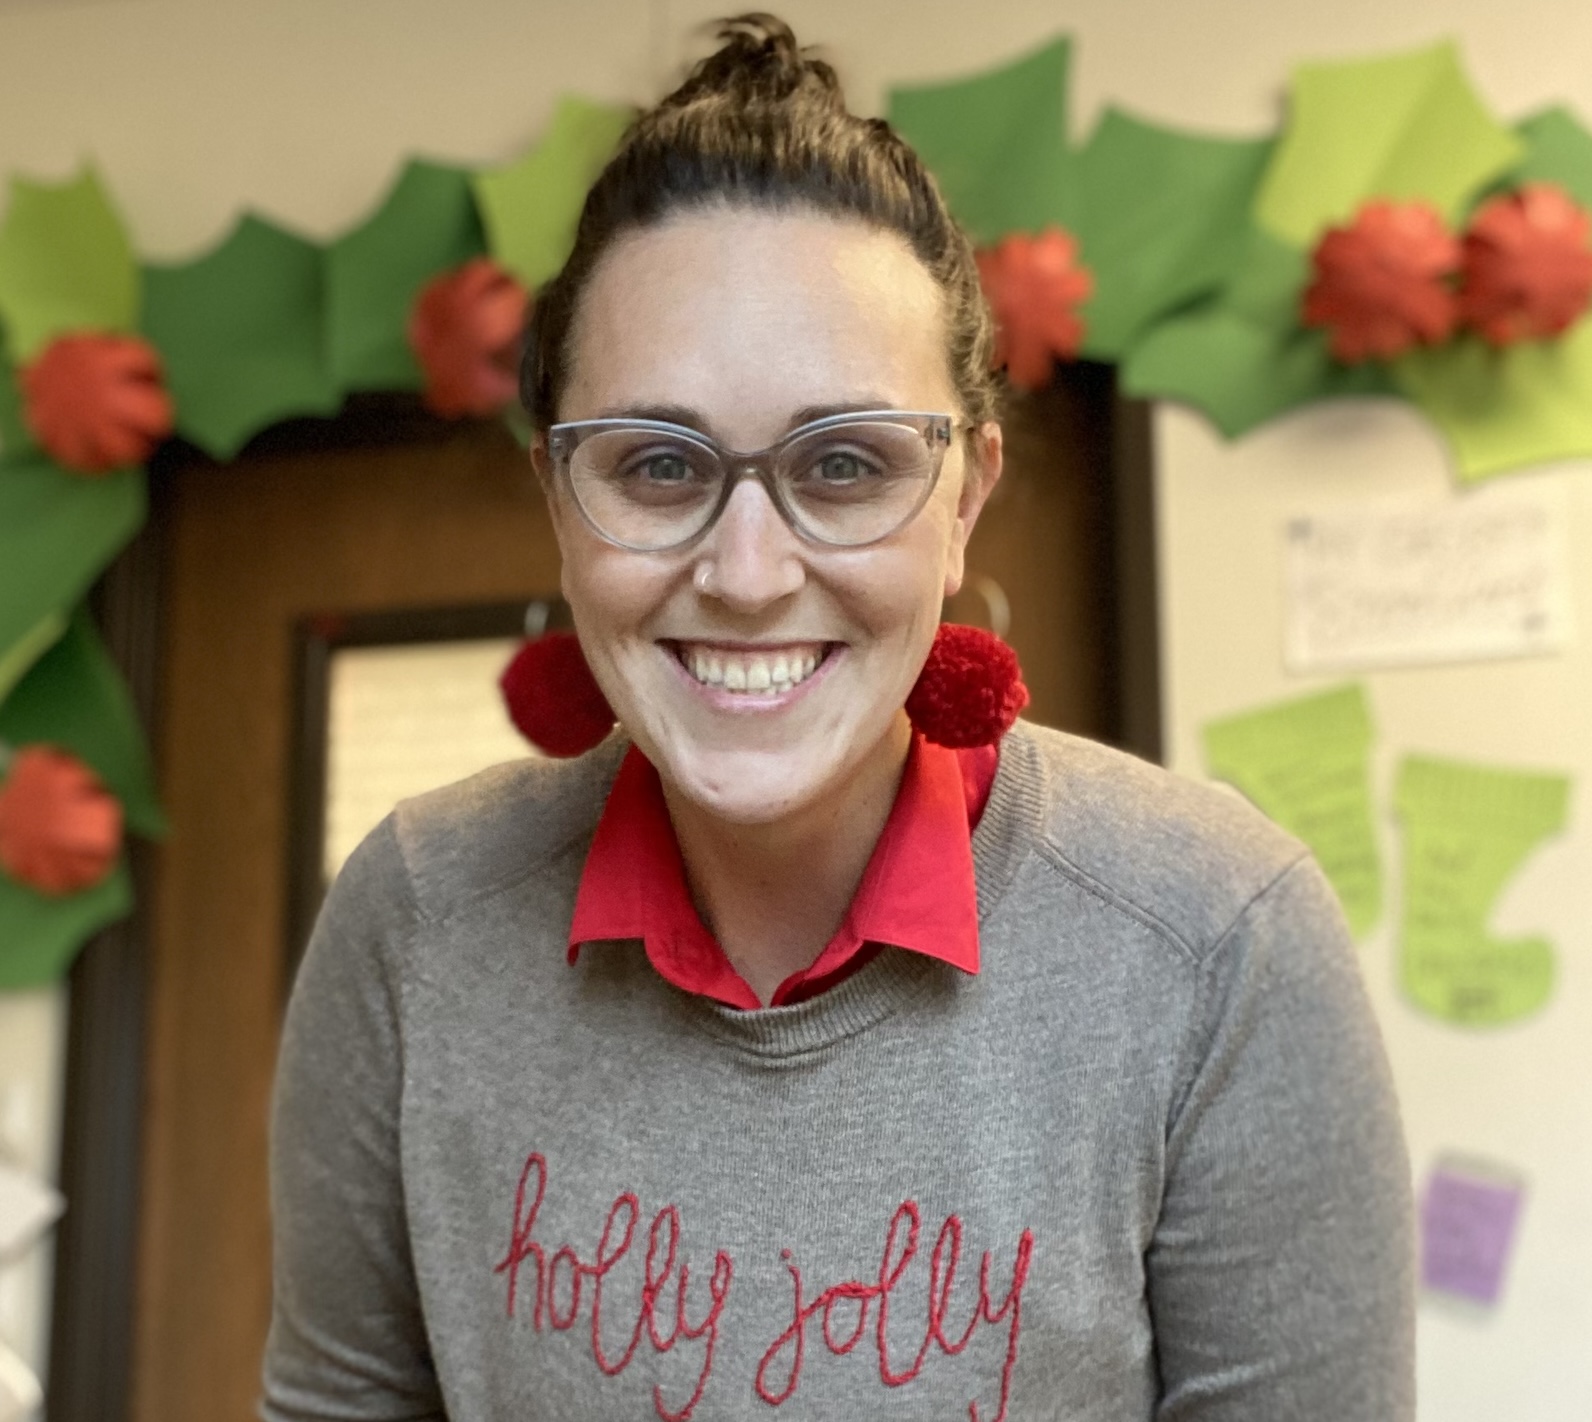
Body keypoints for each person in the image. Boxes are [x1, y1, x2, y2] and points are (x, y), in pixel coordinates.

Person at [262, 15, 1414, 1421]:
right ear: (560, 501)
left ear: (965, 499)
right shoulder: (415, 921)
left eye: (848, 464)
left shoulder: (1219, 943)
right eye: (658, 465)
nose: (749, 575)